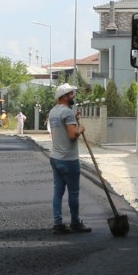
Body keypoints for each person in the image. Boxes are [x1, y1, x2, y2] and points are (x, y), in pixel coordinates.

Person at [47, 82, 90, 234]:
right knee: (73, 192)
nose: (73, 96)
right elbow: (72, 135)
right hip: (69, 159)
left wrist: (75, 119)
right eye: (71, 93)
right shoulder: (67, 113)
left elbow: (63, 130)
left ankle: (58, 224)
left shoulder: (53, 112)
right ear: (64, 96)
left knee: (58, 192)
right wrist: (81, 128)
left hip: (55, 157)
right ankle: (75, 222)